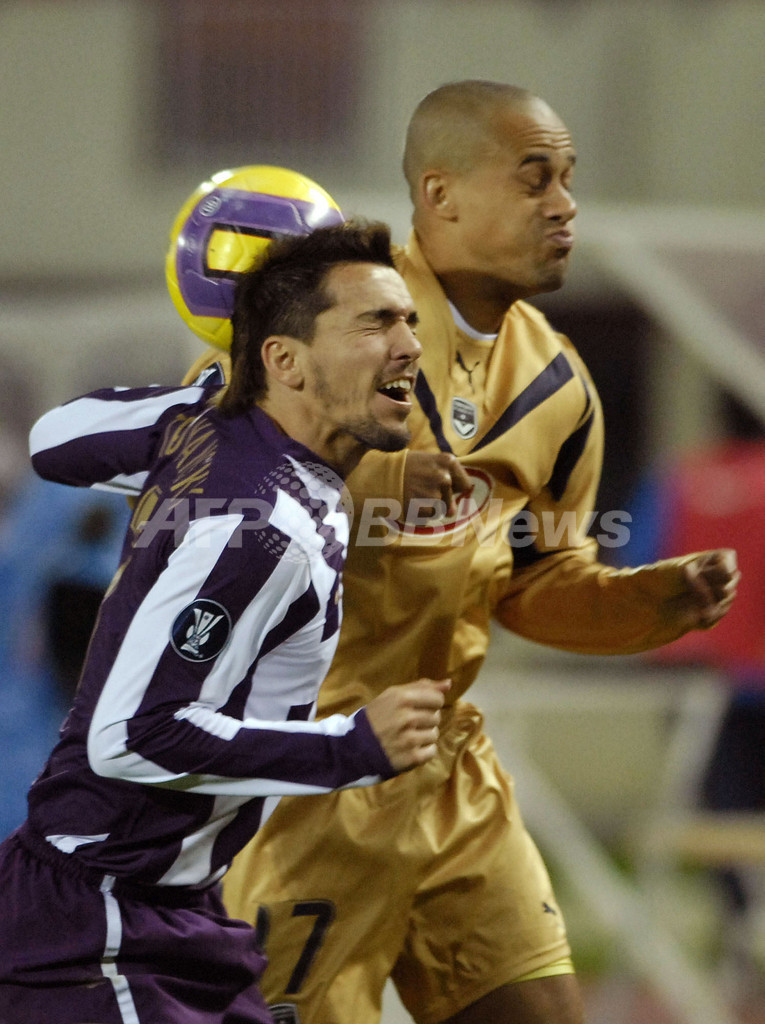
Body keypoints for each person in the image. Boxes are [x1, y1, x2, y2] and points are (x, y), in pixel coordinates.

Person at [46, 83, 739, 1024]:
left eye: (568, 180)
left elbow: (536, 581)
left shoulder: (559, 385)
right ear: (440, 194)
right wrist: (372, 482)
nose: (563, 205)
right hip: (298, 777)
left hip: (443, 767)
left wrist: (650, 603)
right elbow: (205, 491)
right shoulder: (320, 319)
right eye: (533, 178)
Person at [0, 221, 450, 1024]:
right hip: (101, 924)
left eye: (408, 320)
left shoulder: (222, 432)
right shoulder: (258, 527)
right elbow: (130, 735)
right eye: (374, 323)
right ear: (285, 361)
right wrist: (351, 747)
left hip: (165, 909)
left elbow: (53, 441)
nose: (409, 344)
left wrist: (200, 403)